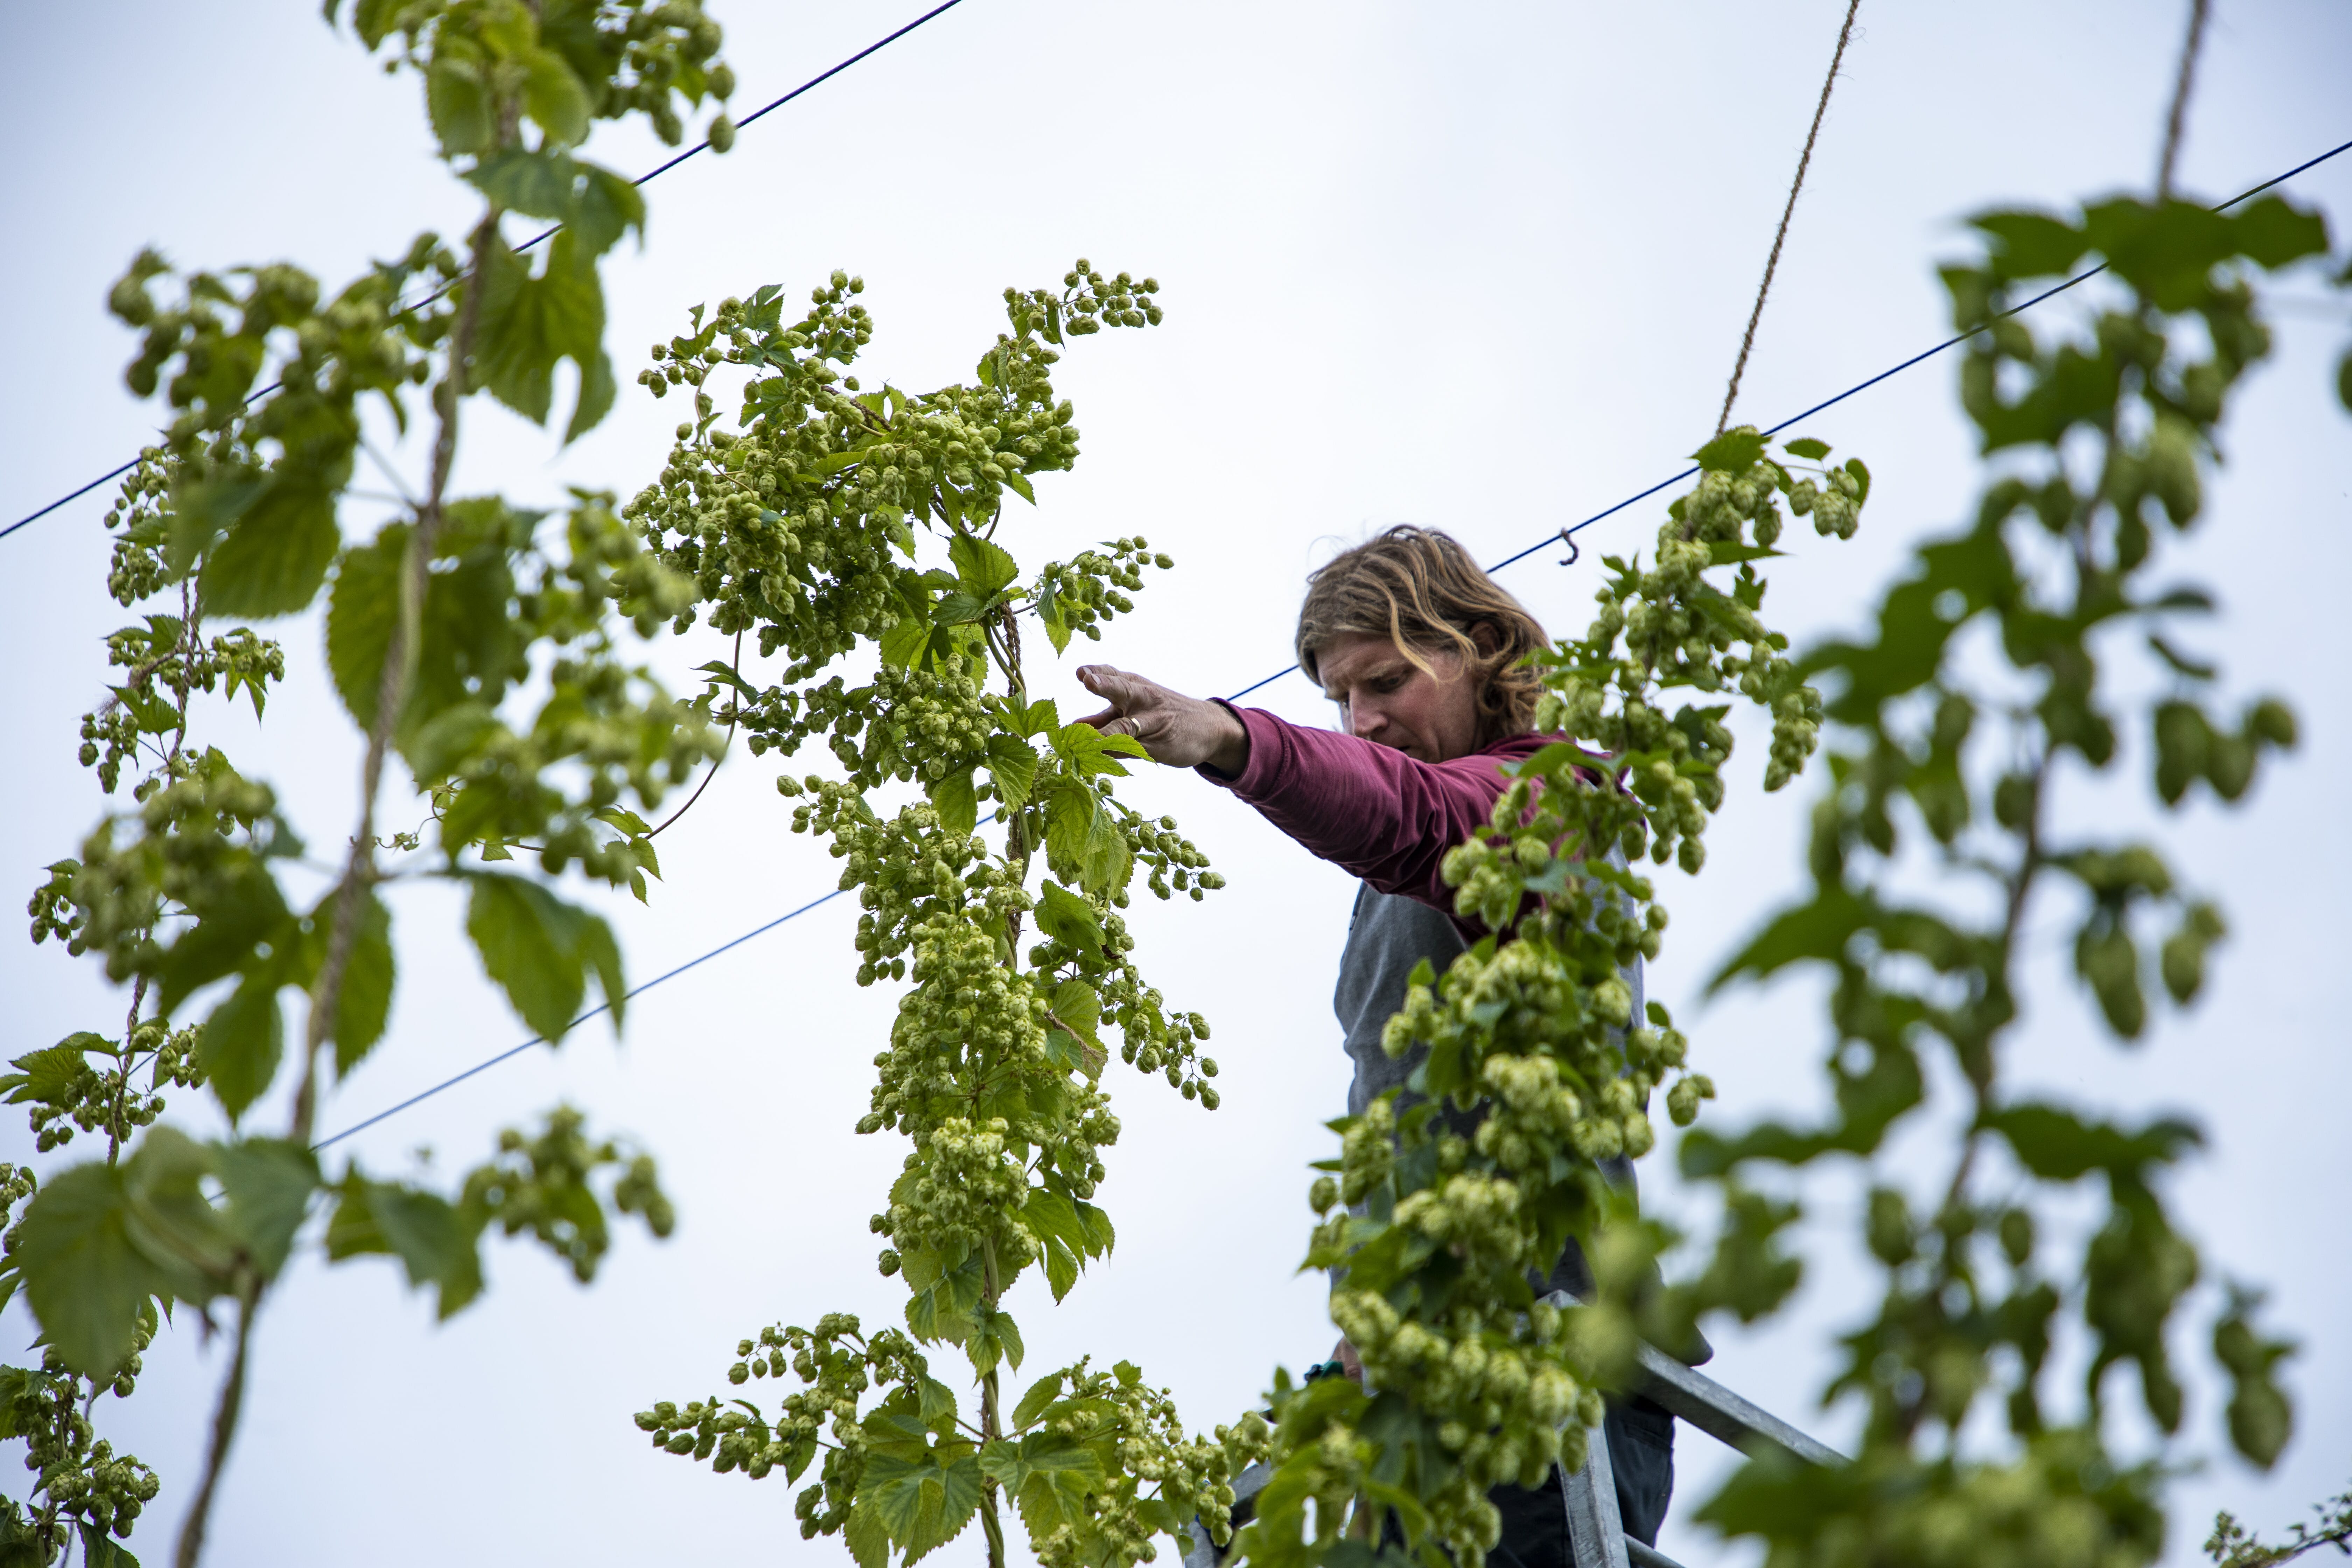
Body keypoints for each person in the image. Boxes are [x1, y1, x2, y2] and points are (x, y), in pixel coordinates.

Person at [1075, 526, 1679, 1564]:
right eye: (1339, 700)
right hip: (1414, 1376)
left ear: (1480, 647)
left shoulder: (1552, 803)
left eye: (1388, 680)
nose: (1364, 720)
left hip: (1541, 1369)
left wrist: (1232, 739)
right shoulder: (1398, 884)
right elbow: (1406, 1116)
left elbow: (1416, 818)